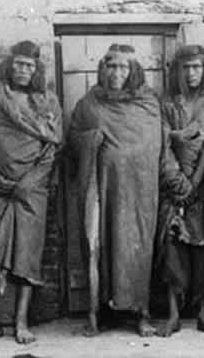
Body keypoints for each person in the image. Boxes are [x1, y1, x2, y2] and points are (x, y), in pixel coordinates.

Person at [0, 40, 62, 344]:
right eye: (19, 64)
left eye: (30, 66)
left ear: (37, 69)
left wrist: (31, 180)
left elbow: (53, 144)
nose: (24, 70)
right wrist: (3, 178)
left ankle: (21, 322)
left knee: (27, 252)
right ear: (10, 65)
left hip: (32, 187)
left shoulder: (46, 101)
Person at [68, 44, 161, 337]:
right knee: (99, 242)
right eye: (111, 66)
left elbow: (153, 145)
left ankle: (141, 312)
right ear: (103, 68)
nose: (116, 72)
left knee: (137, 246)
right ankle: (98, 312)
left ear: (133, 70)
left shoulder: (147, 103)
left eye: (123, 67)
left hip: (138, 192)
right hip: (101, 187)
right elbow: (73, 140)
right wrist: (90, 141)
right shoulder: (89, 103)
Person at [156, 44, 204, 337]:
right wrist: (177, 182)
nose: (192, 73)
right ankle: (173, 314)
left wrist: (195, 182)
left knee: (203, 249)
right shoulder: (166, 103)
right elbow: (162, 145)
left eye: (197, 67)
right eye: (186, 67)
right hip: (173, 184)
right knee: (171, 245)